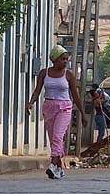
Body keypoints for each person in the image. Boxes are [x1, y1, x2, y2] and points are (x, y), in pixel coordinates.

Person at [27, 45, 87, 180]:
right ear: (54, 59)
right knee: (53, 138)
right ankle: (59, 169)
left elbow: (75, 95)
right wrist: (31, 103)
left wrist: (83, 114)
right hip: (49, 106)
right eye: (62, 59)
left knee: (58, 137)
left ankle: (53, 165)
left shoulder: (68, 75)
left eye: (66, 59)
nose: (65, 62)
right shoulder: (44, 73)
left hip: (64, 107)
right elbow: (37, 90)